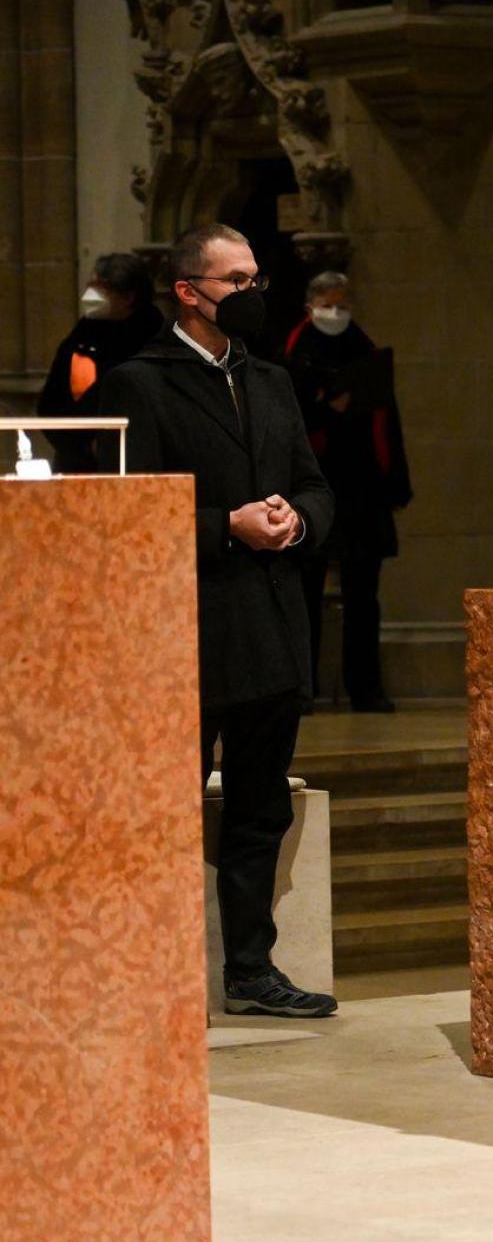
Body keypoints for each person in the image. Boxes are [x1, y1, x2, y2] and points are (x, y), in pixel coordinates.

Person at [99, 224, 338, 1018]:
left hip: (271, 624)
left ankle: (251, 970)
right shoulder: (140, 383)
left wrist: (295, 520)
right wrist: (223, 526)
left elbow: (315, 486)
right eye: (235, 281)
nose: (251, 293)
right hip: (188, 629)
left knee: (260, 807)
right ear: (188, 292)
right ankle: (154, 974)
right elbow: (120, 514)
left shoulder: (269, 380)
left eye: (255, 279)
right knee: (168, 807)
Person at [285, 271, 412, 713]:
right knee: (304, 592)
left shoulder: (365, 350)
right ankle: (301, 687)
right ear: (310, 307)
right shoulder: (293, 355)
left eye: (342, 304)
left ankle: (366, 686)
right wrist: (325, 408)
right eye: (328, 304)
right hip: (312, 486)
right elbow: (288, 422)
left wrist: (396, 484)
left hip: (362, 488)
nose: (335, 313)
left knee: (364, 595)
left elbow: (387, 423)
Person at [35, 252, 164, 472]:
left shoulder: (156, 335)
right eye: (90, 284)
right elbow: (51, 401)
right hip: (79, 462)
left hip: (140, 463)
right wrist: (83, 446)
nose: (90, 293)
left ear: (128, 297)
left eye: (100, 287)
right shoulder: (83, 333)